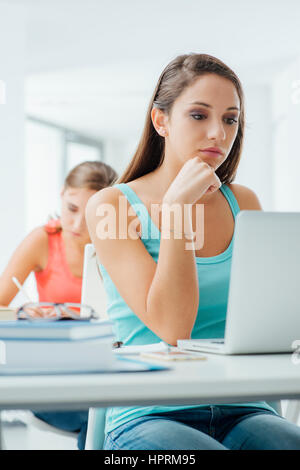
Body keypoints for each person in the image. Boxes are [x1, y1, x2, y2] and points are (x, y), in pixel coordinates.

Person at [85, 53, 300, 450]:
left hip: (244, 407)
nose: (219, 132)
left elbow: (271, 319)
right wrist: (177, 210)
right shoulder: (110, 206)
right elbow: (173, 328)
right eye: (199, 115)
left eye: (230, 118)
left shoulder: (244, 202)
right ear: (161, 121)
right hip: (148, 413)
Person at [0, 160, 118, 450]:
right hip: (51, 376)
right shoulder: (43, 240)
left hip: (104, 371)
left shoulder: (119, 246)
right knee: (100, 417)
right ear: (62, 195)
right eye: (72, 208)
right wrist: (28, 314)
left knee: (117, 413)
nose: (77, 225)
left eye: (90, 215)